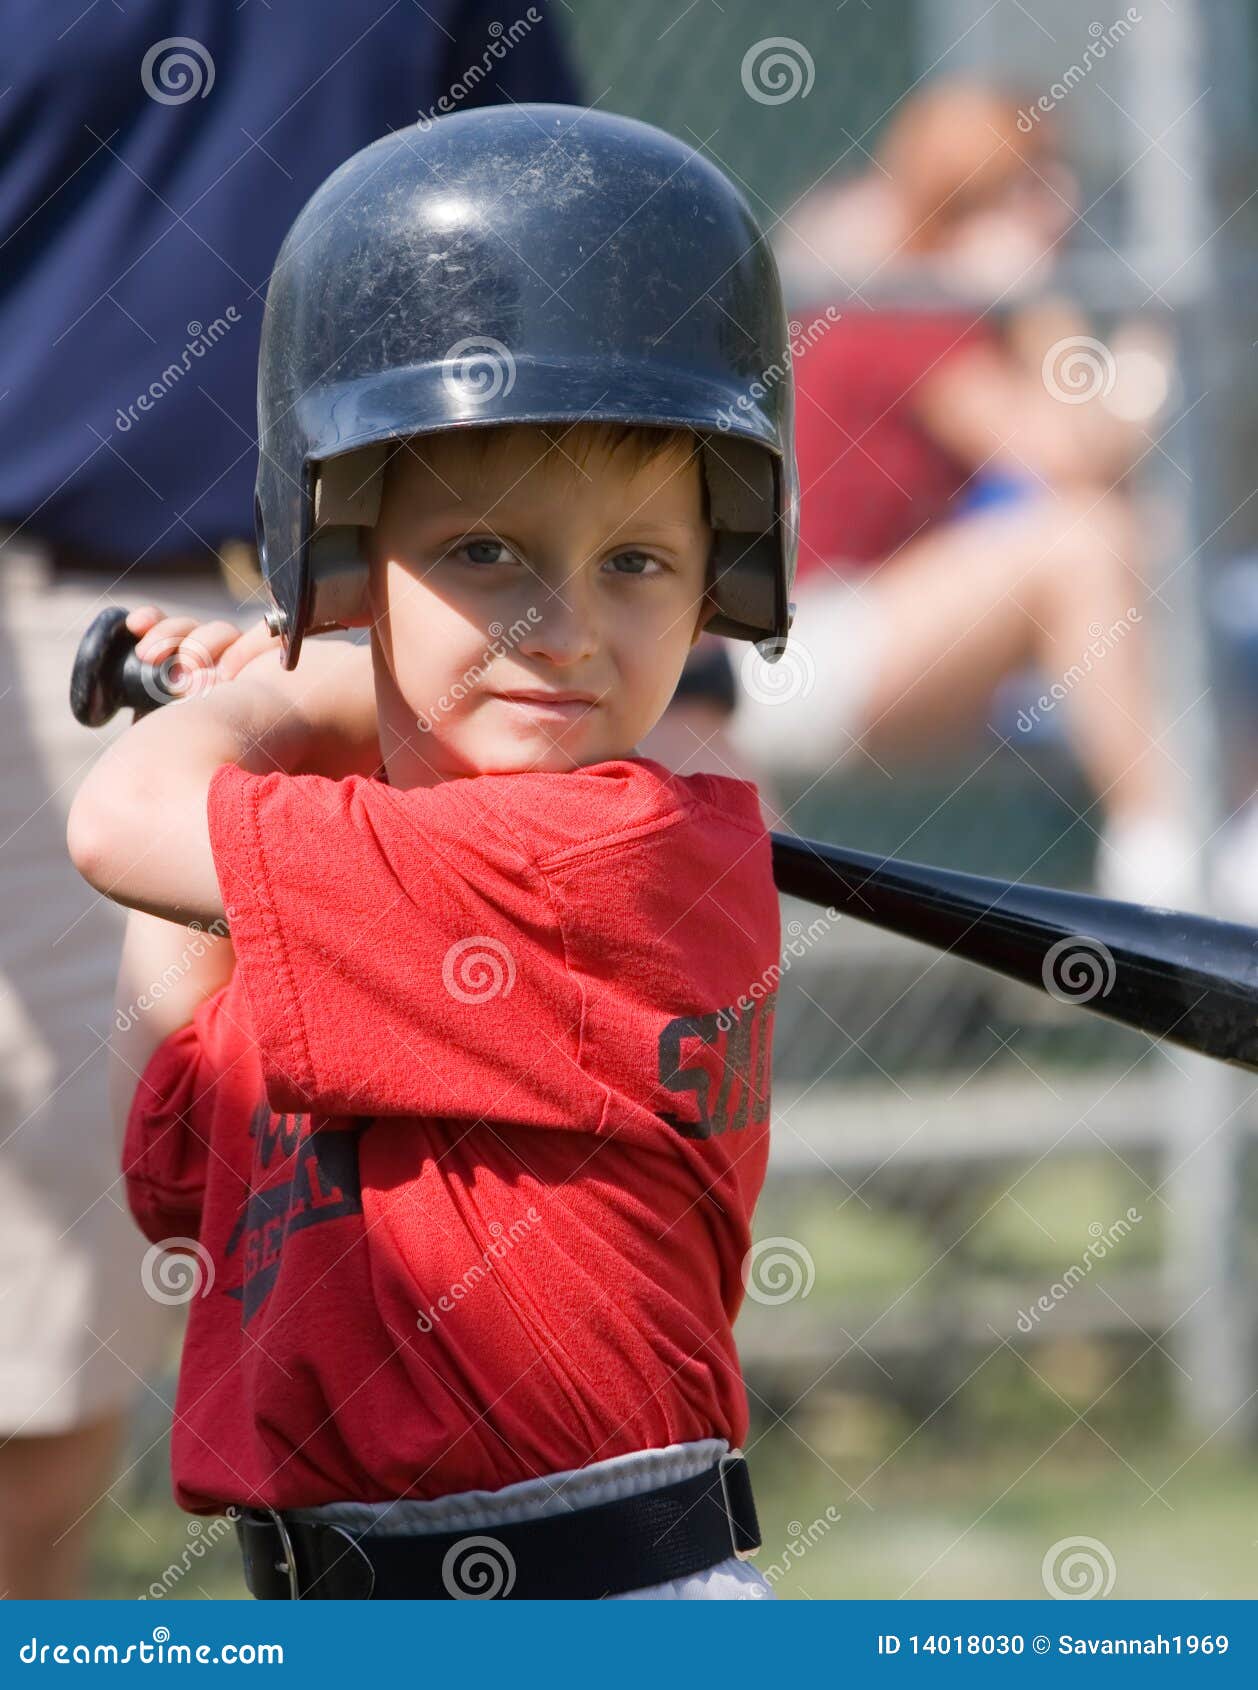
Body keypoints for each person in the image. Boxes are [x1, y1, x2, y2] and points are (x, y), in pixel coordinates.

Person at [64, 106, 792, 1600]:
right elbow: (184, 1120)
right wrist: (266, 742)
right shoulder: (384, 892)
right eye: (483, 552)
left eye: (635, 561)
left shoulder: (611, 856)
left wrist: (285, 698)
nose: (563, 628)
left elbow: (120, 825)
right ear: (345, 558)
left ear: (710, 586)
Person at [0, 1, 578, 1597]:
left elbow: (543, 228)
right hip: (99, 636)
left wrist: (689, 684)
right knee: (37, 1371)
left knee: (98, 1360)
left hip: (359, 616)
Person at [732, 82, 1202, 907]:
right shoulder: (905, 297)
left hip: (884, 630)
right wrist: (1046, 302)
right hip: (802, 653)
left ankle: (1220, 834)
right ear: (970, 196)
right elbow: (1073, 455)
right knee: (1083, 543)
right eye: (1032, 181)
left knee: (1149, 550)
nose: (1060, 200)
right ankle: (1171, 862)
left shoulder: (942, 295)